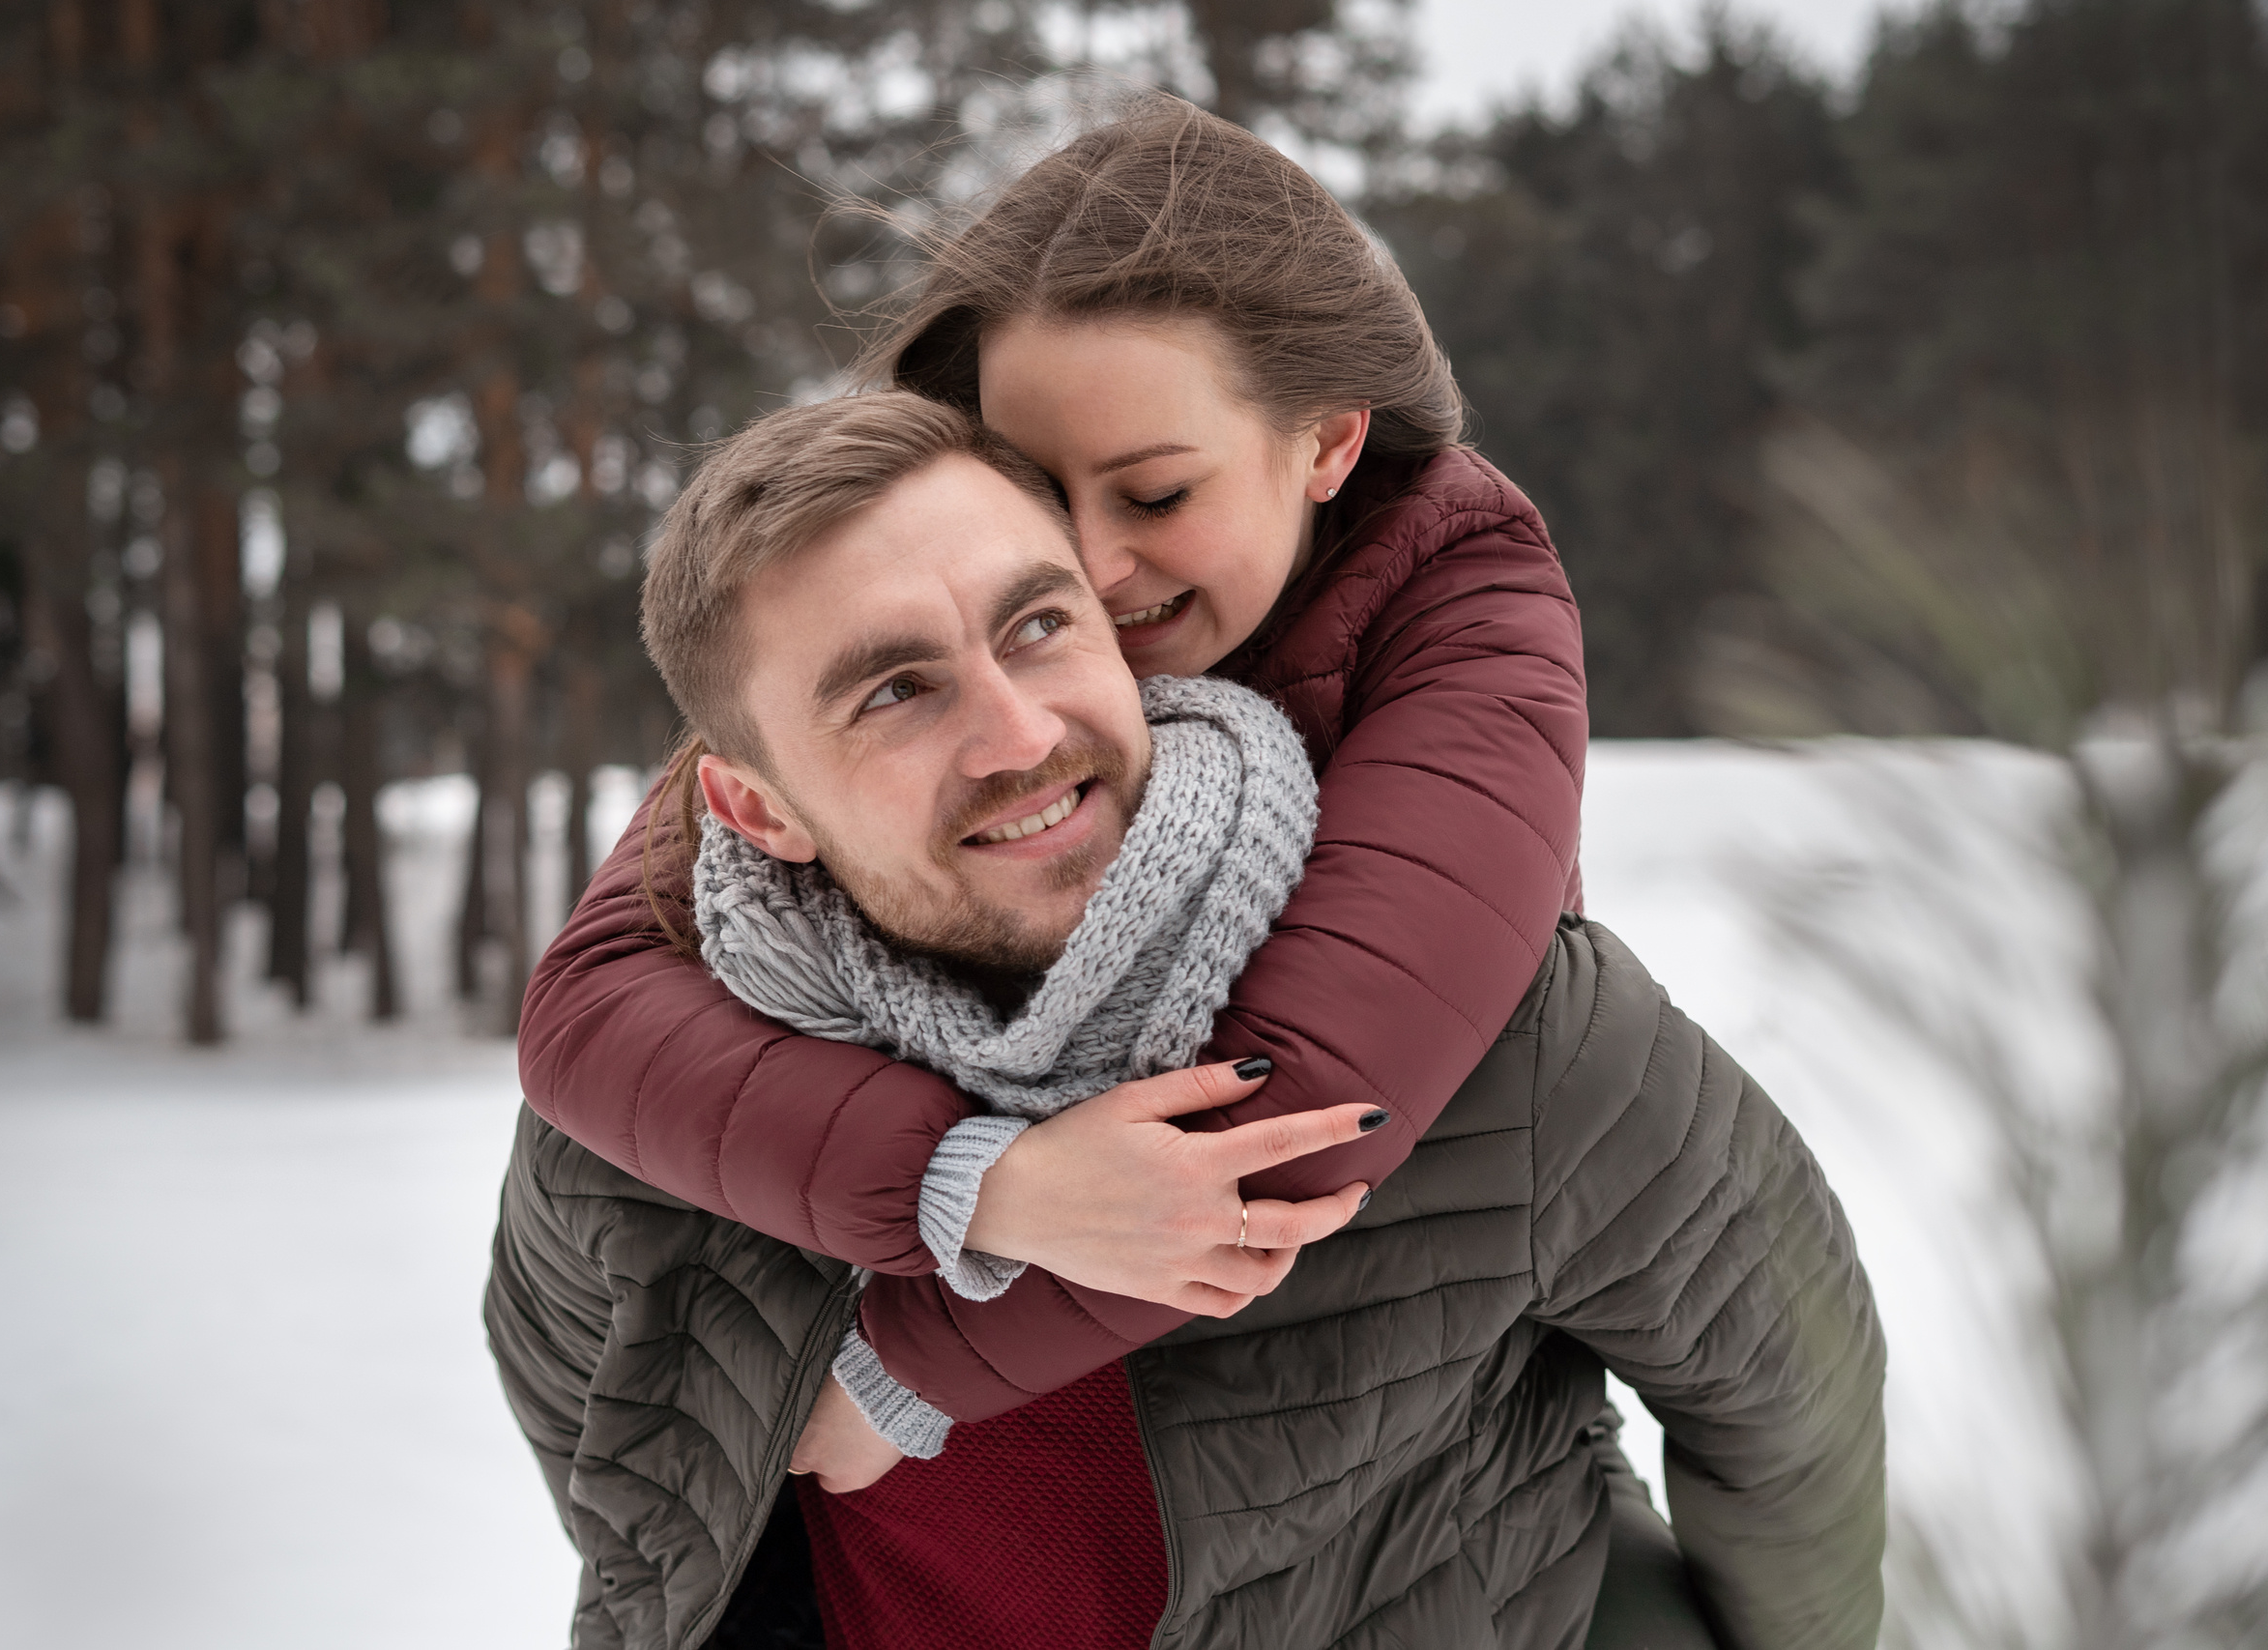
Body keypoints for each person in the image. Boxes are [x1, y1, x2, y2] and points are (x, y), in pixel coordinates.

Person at [487, 391, 1885, 1650]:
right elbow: (629, 1472)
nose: (1021, 735)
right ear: (757, 807)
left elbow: (1790, 1395)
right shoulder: (652, 1128)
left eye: (1038, 625)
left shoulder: (1494, 1028)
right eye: (897, 690)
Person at [521, 93, 1585, 1468]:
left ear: (1327, 440)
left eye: (1155, 495)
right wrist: (977, 1183)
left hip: (1377, 1419)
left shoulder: (1473, 610)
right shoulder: (944, 609)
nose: (1087, 563)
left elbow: (1312, 1100)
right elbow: (591, 1004)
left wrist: (901, 1379)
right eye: (1033, 483)